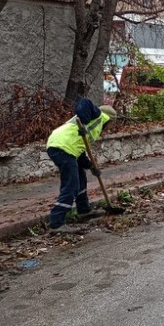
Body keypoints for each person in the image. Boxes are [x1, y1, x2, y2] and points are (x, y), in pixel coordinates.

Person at [46, 98, 116, 231]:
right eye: (111, 124)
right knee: (71, 185)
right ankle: (56, 223)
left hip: (66, 147)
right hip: (62, 147)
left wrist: (91, 166)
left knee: (81, 178)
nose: (110, 128)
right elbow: (84, 101)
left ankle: (83, 210)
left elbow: (81, 153)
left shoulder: (95, 127)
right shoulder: (98, 115)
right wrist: (83, 122)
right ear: (110, 120)